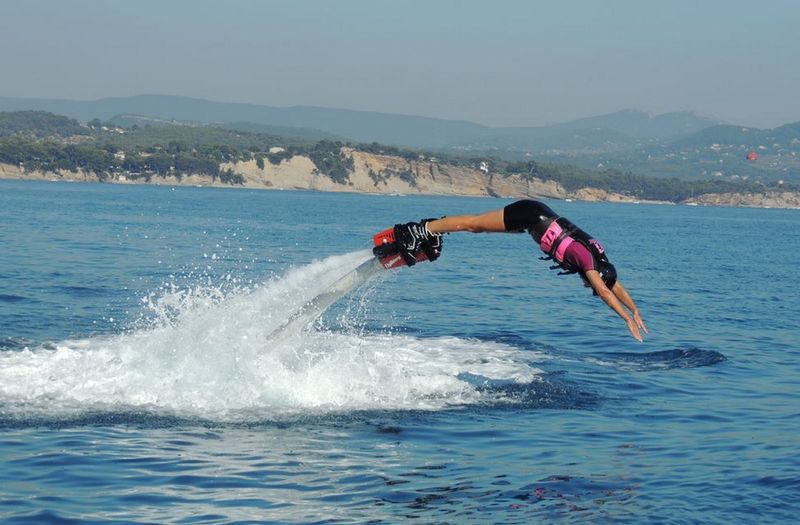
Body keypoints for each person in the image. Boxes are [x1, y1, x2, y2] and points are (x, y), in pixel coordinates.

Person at [392, 199, 649, 342]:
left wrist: (635, 309)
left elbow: (613, 284)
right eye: (589, 284)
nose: (588, 286)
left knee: (477, 226)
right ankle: (420, 230)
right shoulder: (587, 260)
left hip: (535, 217)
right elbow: (605, 290)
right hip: (531, 215)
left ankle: (433, 231)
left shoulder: (600, 260)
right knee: (475, 225)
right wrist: (625, 319)